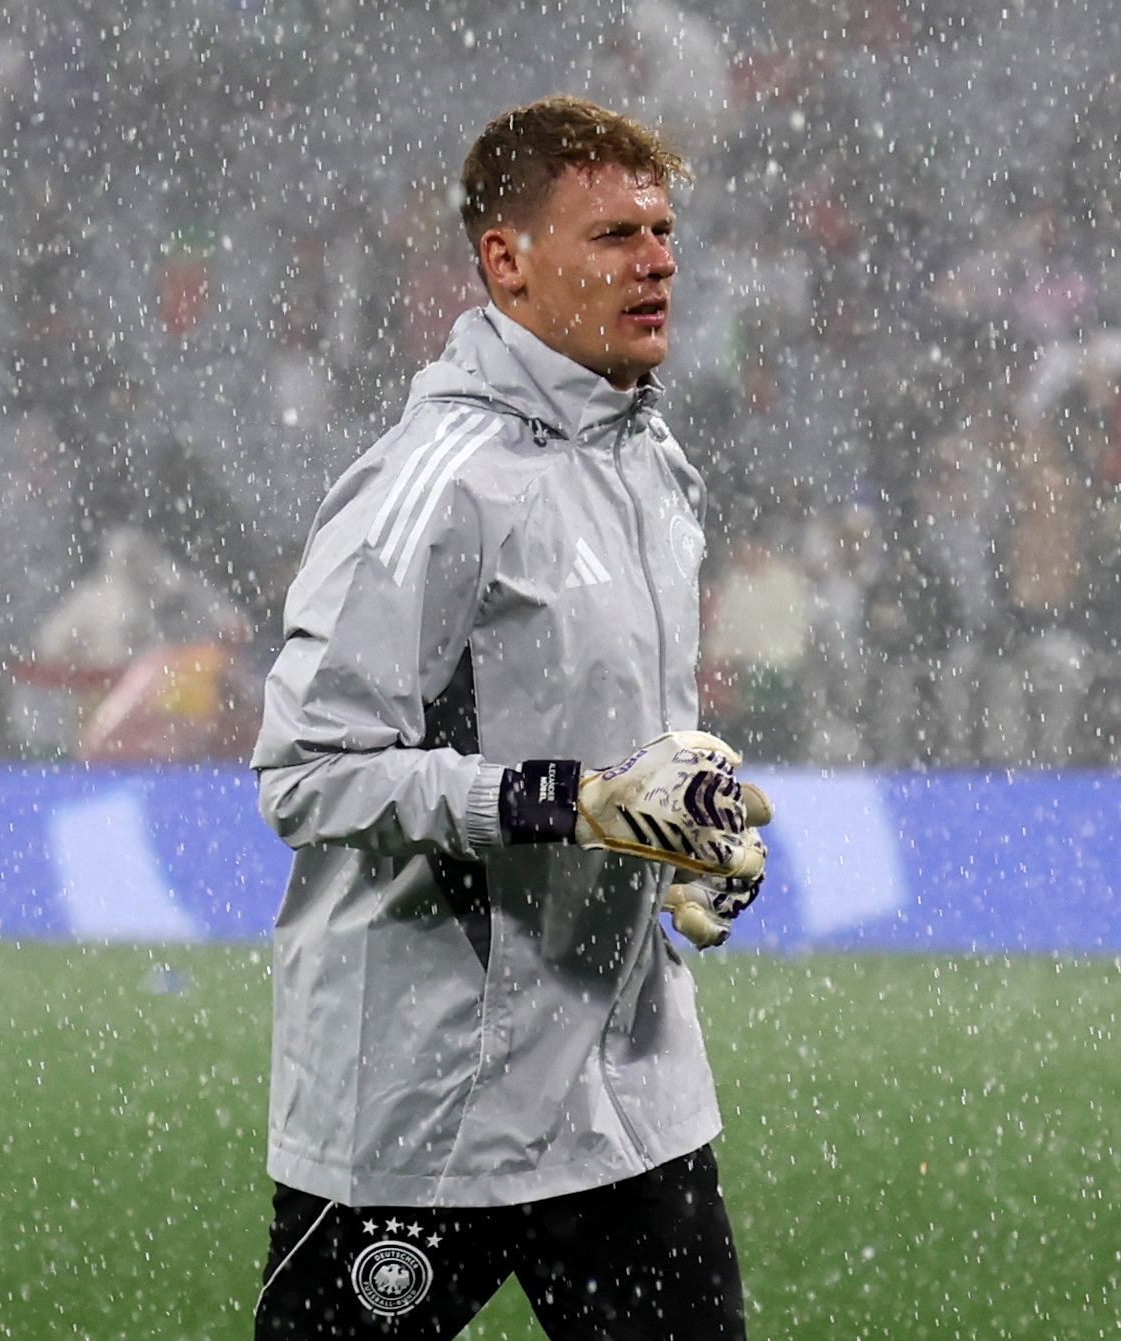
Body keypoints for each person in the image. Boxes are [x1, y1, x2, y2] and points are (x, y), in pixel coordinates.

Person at [247, 95, 770, 1340]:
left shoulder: (652, 465)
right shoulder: (431, 484)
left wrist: (688, 843)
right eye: (611, 236)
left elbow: (642, 758)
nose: (656, 261)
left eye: (661, 230)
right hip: (429, 1107)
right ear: (506, 261)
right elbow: (307, 772)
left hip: (629, 1092)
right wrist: (556, 802)